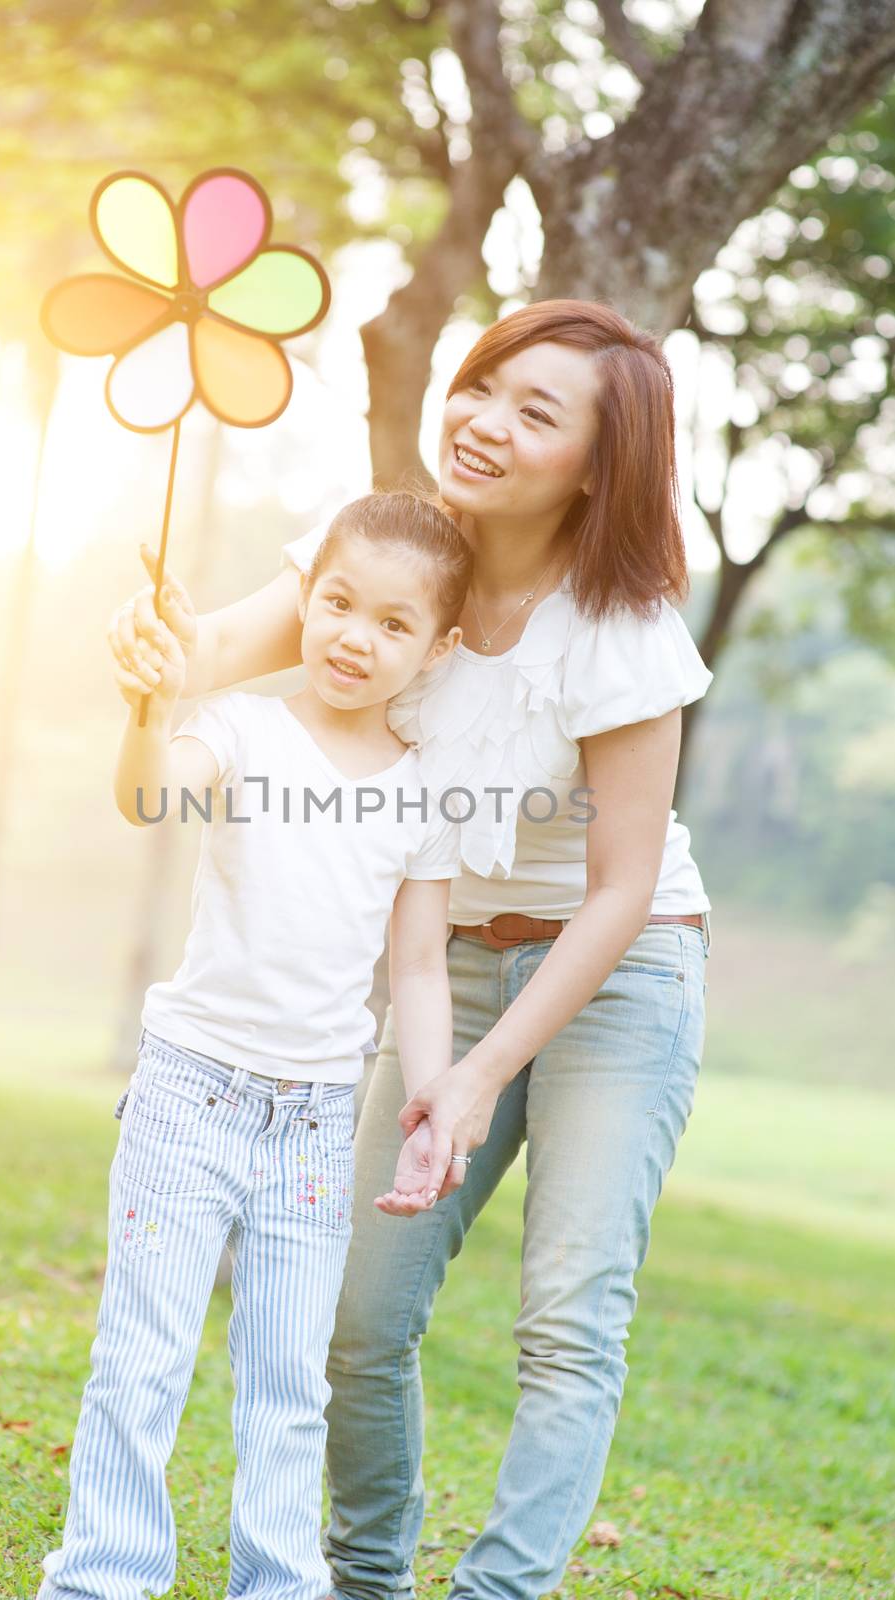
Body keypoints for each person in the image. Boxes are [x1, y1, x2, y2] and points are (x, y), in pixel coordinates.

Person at [110, 299, 713, 1599]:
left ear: (601, 465)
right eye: (484, 386)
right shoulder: (390, 546)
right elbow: (215, 651)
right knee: (358, 1320)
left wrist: (483, 1069)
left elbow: (616, 890)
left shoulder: (623, 627)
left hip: (620, 972)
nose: (484, 422)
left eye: (534, 412)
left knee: (564, 1326)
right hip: (447, 955)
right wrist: (157, 647)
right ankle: (366, 1584)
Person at [37, 491, 474, 1600]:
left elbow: (417, 966)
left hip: (317, 1120)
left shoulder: (428, 790)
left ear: (439, 645)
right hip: (192, 1088)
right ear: (305, 597)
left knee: (289, 1380)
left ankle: (280, 1582)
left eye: (392, 622)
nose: (353, 637)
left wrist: (431, 1094)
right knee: (142, 1358)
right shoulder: (237, 727)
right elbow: (146, 795)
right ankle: (102, 1577)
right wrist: (148, 704)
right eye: (336, 603)